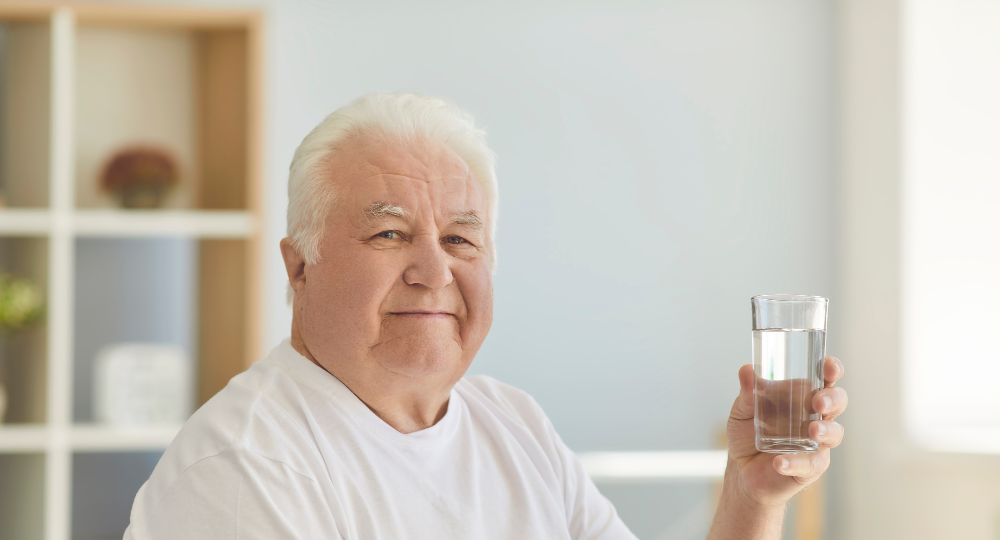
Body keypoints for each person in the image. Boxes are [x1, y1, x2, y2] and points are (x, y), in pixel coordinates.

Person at [124, 92, 848, 539]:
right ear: (298, 267)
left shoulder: (514, 425)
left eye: (461, 239)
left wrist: (752, 497)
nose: (434, 271)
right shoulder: (247, 467)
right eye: (388, 233)